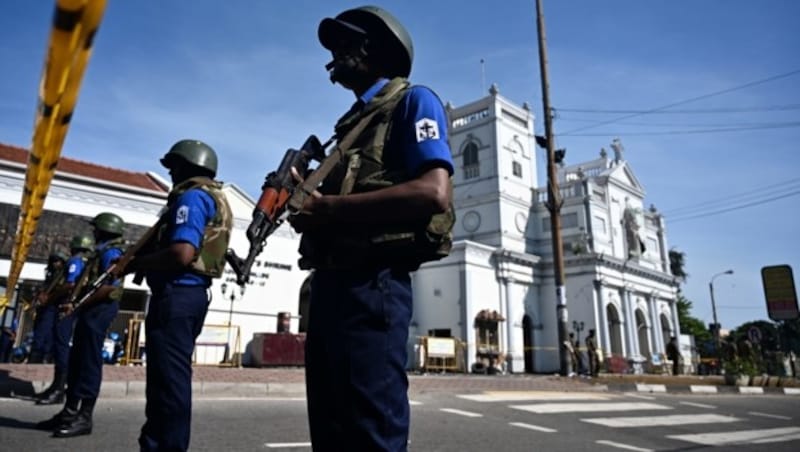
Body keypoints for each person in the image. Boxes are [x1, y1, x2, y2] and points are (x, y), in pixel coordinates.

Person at [289, 6, 455, 450]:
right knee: (330, 431)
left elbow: (434, 192)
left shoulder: (412, 101)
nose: (336, 52)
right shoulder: (352, 124)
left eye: (348, 42)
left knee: (370, 433)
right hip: (331, 285)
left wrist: (327, 210)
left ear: (378, 50)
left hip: (373, 287)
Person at [118, 139, 232, 452]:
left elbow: (182, 253)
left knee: (167, 385)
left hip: (177, 295)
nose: (170, 174)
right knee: (169, 381)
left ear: (186, 167)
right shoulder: (211, 197)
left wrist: (136, 264)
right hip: (188, 296)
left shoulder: (191, 198)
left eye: (174, 168)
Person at [36, 212, 126, 437]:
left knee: (89, 361)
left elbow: (109, 288)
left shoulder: (112, 253)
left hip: (100, 310)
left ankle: (85, 416)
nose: (93, 233)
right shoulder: (101, 252)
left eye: (96, 229)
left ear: (103, 230)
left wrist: (78, 303)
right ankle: (68, 412)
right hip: (89, 310)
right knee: (77, 360)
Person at [34, 234, 94, 405]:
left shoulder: (75, 261)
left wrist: (51, 296)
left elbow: (70, 285)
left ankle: (59, 389)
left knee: (61, 345)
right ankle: (56, 386)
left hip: (65, 306)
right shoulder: (82, 261)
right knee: (58, 344)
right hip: (65, 306)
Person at [28, 251, 69, 364]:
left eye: (57, 261)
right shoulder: (51, 276)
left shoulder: (62, 275)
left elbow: (63, 289)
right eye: (53, 261)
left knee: (46, 336)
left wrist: (48, 297)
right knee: (40, 335)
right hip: (44, 309)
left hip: (52, 307)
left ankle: (42, 358)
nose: (55, 264)